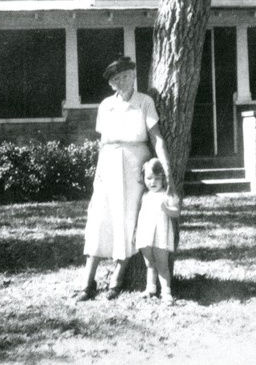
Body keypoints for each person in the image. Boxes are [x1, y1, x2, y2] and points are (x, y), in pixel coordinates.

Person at [75, 56, 175, 302]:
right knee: (99, 218)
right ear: (112, 84)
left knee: (127, 220)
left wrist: (166, 166)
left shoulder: (144, 102)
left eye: (128, 75)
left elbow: (156, 137)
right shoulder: (105, 105)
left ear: (134, 77)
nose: (124, 81)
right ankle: (87, 282)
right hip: (108, 162)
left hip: (133, 165)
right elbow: (103, 142)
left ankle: (116, 281)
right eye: (118, 79)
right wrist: (98, 172)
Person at [135, 158, 180, 305]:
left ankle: (166, 292)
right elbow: (141, 214)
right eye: (149, 178)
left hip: (161, 234)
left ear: (164, 179)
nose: (152, 182)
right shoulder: (145, 195)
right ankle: (150, 288)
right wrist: (136, 232)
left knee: (162, 264)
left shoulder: (167, 195)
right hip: (146, 233)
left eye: (157, 178)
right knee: (149, 263)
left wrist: (166, 209)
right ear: (143, 178)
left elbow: (176, 213)